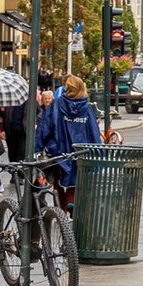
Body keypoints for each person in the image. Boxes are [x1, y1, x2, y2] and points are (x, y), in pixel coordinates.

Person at [34, 76, 103, 211]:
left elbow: (45, 127)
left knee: (58, 180)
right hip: (80, 151)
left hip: (59, 150)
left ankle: (60, 210)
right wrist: (98, 151)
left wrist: (37, 148)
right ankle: (72, 201)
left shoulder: (57, 104)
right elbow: (93, 131)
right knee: (76, 179)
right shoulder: (86, 107)